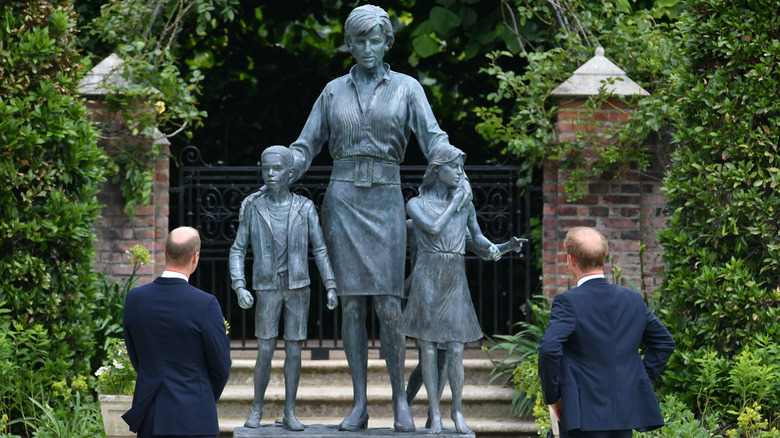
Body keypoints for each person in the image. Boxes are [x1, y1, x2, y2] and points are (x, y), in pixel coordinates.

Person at [285, 4, 472, 432]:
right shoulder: (332, 91)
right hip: (344, 201)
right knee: (351, 305)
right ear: (348, 43)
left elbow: (433, 138)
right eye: (359, 40)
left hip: (387, 201)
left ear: (387, 43)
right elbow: (306, 143)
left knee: (389, 305)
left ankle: (399, 402)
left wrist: (456, 169)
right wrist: (285, 167)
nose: (367, 48)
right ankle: (359, 404)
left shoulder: (407, 88)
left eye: (375, 40)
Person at [229, 146, 338, 431]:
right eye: (266, 168)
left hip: (299, 287)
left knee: (294, 351)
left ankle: (290, 412)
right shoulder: (253, 207)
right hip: (267, 287)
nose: (271, 174)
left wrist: (330, 285)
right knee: (264, 349)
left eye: (277, 169)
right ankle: (257, 408)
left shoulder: (304, 207)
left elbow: (321, 249)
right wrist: (239, 285)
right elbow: (238, 250)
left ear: (290, 173)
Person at [399, 145, 504, 434]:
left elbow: (478, 238)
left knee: (456, 347)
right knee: (428, 348)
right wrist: (457, 200)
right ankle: (434, 414)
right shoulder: (416, 204)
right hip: (427, 275)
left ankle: (457, 410)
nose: (460, 172)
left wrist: (495, 248)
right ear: (436, 170)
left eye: (461, 167)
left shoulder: (465, 204)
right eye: (454, 167)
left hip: (454, 276)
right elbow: (433, 228)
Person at [537, 227, 676, 438]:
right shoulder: (633, 300)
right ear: (603, 257)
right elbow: (664, 343)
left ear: (571, 260)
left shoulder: (568, 302)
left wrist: (553, 398)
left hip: (583, 417)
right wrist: (635, 382)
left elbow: (548, 349)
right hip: (623, 413)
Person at [122, 226, 231, 438]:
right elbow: (221, 366)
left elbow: (137, 358)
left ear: (164, 252)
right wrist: (201, 397)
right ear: (195, 257)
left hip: (150, 418)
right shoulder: (206, 304)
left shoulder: (135, 299)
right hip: (195, 418)